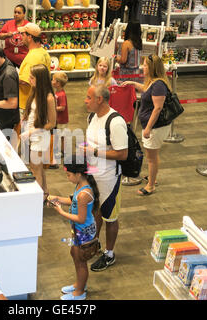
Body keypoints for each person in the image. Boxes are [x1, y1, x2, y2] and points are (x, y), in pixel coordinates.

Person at [80, 85, 128, 272]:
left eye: (88, 97)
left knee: (110, 217)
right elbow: (92, 142)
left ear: (100, 99)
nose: (85, 100)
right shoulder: (92, 117)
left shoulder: (115, 122)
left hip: (109, 178)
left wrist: (93, 151)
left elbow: (122, 154)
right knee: (95, 212)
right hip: (93, 175)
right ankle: (95, 243)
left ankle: (109, 254)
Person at [48, 155, 99, 300]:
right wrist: (57, 199)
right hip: (79, 230)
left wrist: (61, 212)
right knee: (74, 255)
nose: (67, 177)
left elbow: (80, 218)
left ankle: (80, 292)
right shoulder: (80, 186)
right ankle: (79, 284)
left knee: (80, 260)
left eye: (68, 175)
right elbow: (72, 201)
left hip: (84, 232)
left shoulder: (84, 194)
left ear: (78, 174)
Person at [122, 54, 172, 196]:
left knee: (151, 156)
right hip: (152, 125)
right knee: (152, 155)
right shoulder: (154, 82)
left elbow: (157, 108)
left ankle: (151, 185)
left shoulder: (159, 85)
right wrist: (133, 84)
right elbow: (146, 90)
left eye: (145, 65)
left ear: (152, 68)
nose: (142, 67)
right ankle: (152, 177)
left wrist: (148, 128)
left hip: (155, 127)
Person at [20, 64, 56, 203]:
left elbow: (52, 123)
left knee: (35, 168)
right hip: (32, 134)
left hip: (40, 137)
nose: (29, 79)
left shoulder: (49, 98)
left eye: (32, 77)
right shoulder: (34, 91)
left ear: (40, 79)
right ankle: (44, 193)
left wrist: (32, 131)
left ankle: (37, 201)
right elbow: (32, 111)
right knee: (38, 167)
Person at [115, 22, 143, 187]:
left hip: (125, 75)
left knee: (122, 100)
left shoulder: (126, 44)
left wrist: (116, 57)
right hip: (136, 75)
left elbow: (123, 60)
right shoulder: (138, 43)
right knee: (132, 101)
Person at [18, 23, 51, 120]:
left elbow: (25, 81)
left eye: (23, 34)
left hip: (27, 103)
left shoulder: (33, 57)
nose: (21, 37)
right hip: (38, 100)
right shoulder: (43, 52)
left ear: (29, 37)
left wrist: (9, 78)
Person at [0, 4, 29, 68]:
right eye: (15, 12)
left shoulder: (28, 25)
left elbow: (32, 42)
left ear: (24, 14)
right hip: (9, 59)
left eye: (19, 13)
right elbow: (0, 36)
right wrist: (7, 35)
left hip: (23, 59)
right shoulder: (9, 23)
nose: (16, 14)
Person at [51, 71, 69, 167]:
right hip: (59, 119)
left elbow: (62, 107)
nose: (52, 81)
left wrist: (53, 108)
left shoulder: (61, 94)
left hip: (62, 119)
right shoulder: (57, 92)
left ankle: (63, 151)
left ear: (58, 83)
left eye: (53, 79)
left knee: (62, 136)